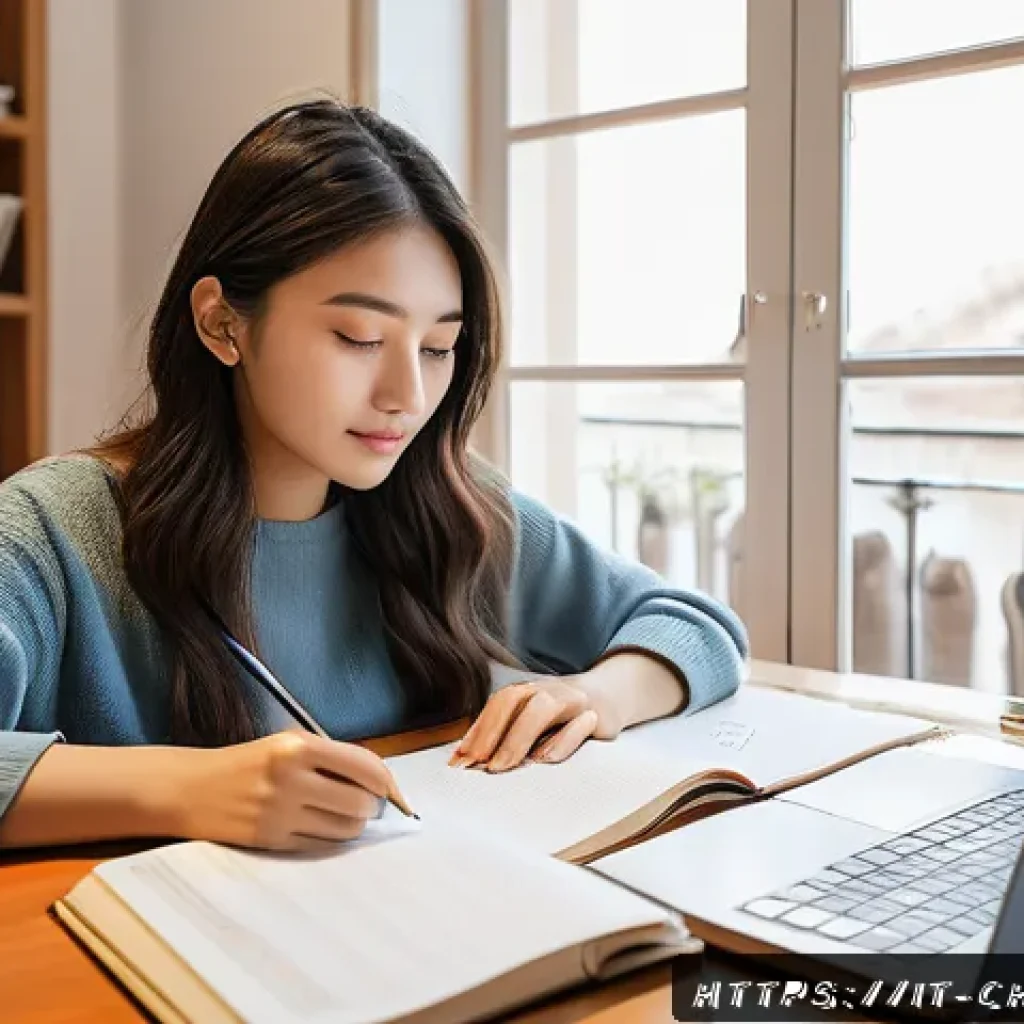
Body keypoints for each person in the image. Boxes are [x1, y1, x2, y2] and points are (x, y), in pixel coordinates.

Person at [0, 100, 746, 854]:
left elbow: (694, 627)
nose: (408, 396)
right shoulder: (52, 531)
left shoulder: (448, 506)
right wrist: (188, 788)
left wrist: (594, 695)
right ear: (223, 323)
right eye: (359, 337)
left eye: (437, 347)